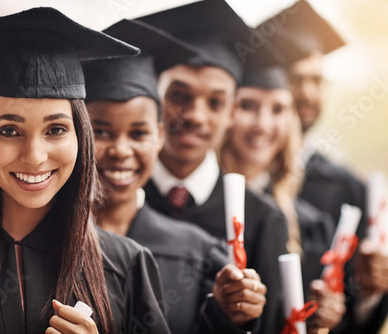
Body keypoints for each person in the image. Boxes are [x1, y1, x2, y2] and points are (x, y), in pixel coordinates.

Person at [0, 8, 171, 334]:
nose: (35, 156)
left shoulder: (128, 266)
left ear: (81, 138)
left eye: (56, 129)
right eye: (9, 130)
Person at [84, 18, 267, 334]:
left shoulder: (201, 253)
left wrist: (227, 316)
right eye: (100, 131)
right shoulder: (41, 241)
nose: (121, 150)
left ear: (158, 137)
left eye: (139, 133)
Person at [135, 1, 289, 332]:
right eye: (179, 95)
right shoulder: (122, 199)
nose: (195, 116)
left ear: (232, 112)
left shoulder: (262, 219)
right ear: (154, 97)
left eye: (215, 102)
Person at [263, 1, 388, 332]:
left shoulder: (348, 187)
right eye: (297, 79)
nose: (308, 93)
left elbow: (359, 319)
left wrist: (369, 291)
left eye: (318, 81)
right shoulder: (242, 178)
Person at [217, 33, 342, 333]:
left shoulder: (309, 223)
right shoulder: (194, 209)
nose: (263, 125)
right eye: (247, 105)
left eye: (278, 109)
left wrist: (322, 320)